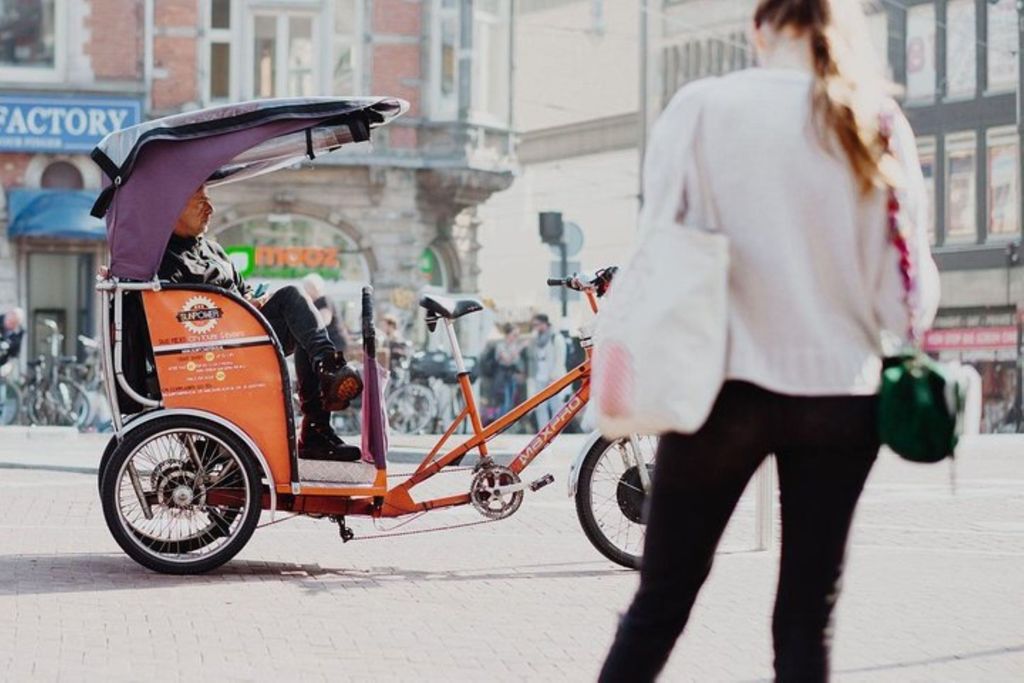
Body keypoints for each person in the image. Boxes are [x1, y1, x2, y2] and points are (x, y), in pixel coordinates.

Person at [599, 1, 940, 681]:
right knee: (806, 618)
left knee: (661, 600)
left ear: (759, 27)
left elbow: (658, 248)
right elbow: (906, 298)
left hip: (719, 388)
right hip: (840, 394)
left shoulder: (701, 108)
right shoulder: (872, 120)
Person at [159, 185, 364, 461]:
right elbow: (179, 317)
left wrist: (252, 300)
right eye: (200, 202)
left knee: (301, 320)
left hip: (244, 336)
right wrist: (241, 307)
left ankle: (317, 427)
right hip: (210, 351)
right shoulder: (165, 259)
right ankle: (329, 368)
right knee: (293, 295)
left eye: (209, 201)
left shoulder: (214, 250)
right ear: (172, 210)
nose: (211, 209)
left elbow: (243, 290)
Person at [525, 314, 566, 427]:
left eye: (537, 324)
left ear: (545, 323)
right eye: (534, 325)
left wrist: (555, 376)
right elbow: (531, 358)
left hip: (553, 377)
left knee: (555, 405)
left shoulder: (556, 337)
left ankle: (556, 429)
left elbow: (560, 359)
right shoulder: (535, 339)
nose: (535, 327)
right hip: (539, 376)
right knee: (540, 406)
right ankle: (543, 430)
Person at [301, 273, 350, 355]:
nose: (305, 292)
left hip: (334, 342)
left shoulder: (323, 300)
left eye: (306, 288)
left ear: (314, 288)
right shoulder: (315, 303)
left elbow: (324, 320)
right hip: (329, 342)